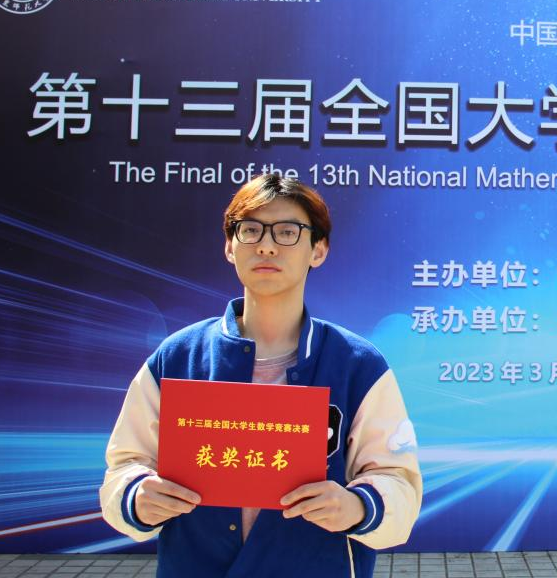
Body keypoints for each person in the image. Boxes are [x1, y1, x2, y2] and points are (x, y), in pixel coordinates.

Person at [100, 175, 422, 578]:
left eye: (287, 232)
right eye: (250, 230)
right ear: (229, 246)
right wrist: (136, 496)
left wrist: (356, 507)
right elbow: (124, 467)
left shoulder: (357, 365)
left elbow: (399, 482)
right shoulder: (178, 357)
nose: (266, 245)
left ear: (318, 249)